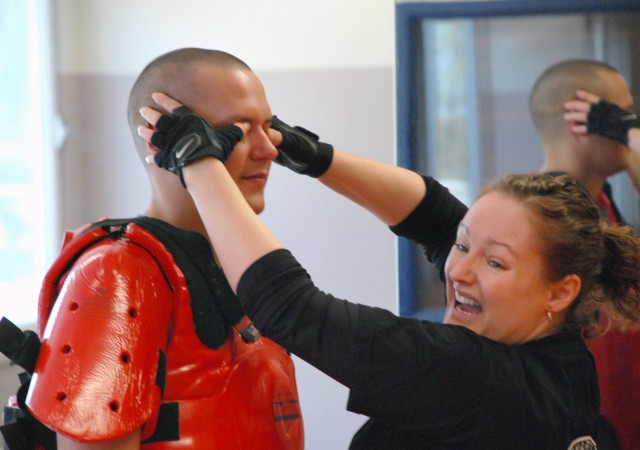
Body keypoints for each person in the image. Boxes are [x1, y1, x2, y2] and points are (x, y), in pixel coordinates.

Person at [137, 92, 640, 449]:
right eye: (462, 246)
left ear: (561, 291)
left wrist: (197, 162)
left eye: (494, 262)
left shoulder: (478, 378)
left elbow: (291, 308)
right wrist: (311, 155)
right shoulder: (559, 352)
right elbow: (436, 214)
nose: (458, 271)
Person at [1, 48, 304, 449]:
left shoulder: (245, 266)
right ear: (166, 135)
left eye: (268, 127)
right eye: (239, 129)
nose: (268, 149)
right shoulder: (117, 273)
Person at [529, 59, 640, 450]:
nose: (631, 126)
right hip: (580, 424)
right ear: (581, 118)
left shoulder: (601, 200)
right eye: (622, 114)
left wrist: (629, 153)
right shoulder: (538, 211)